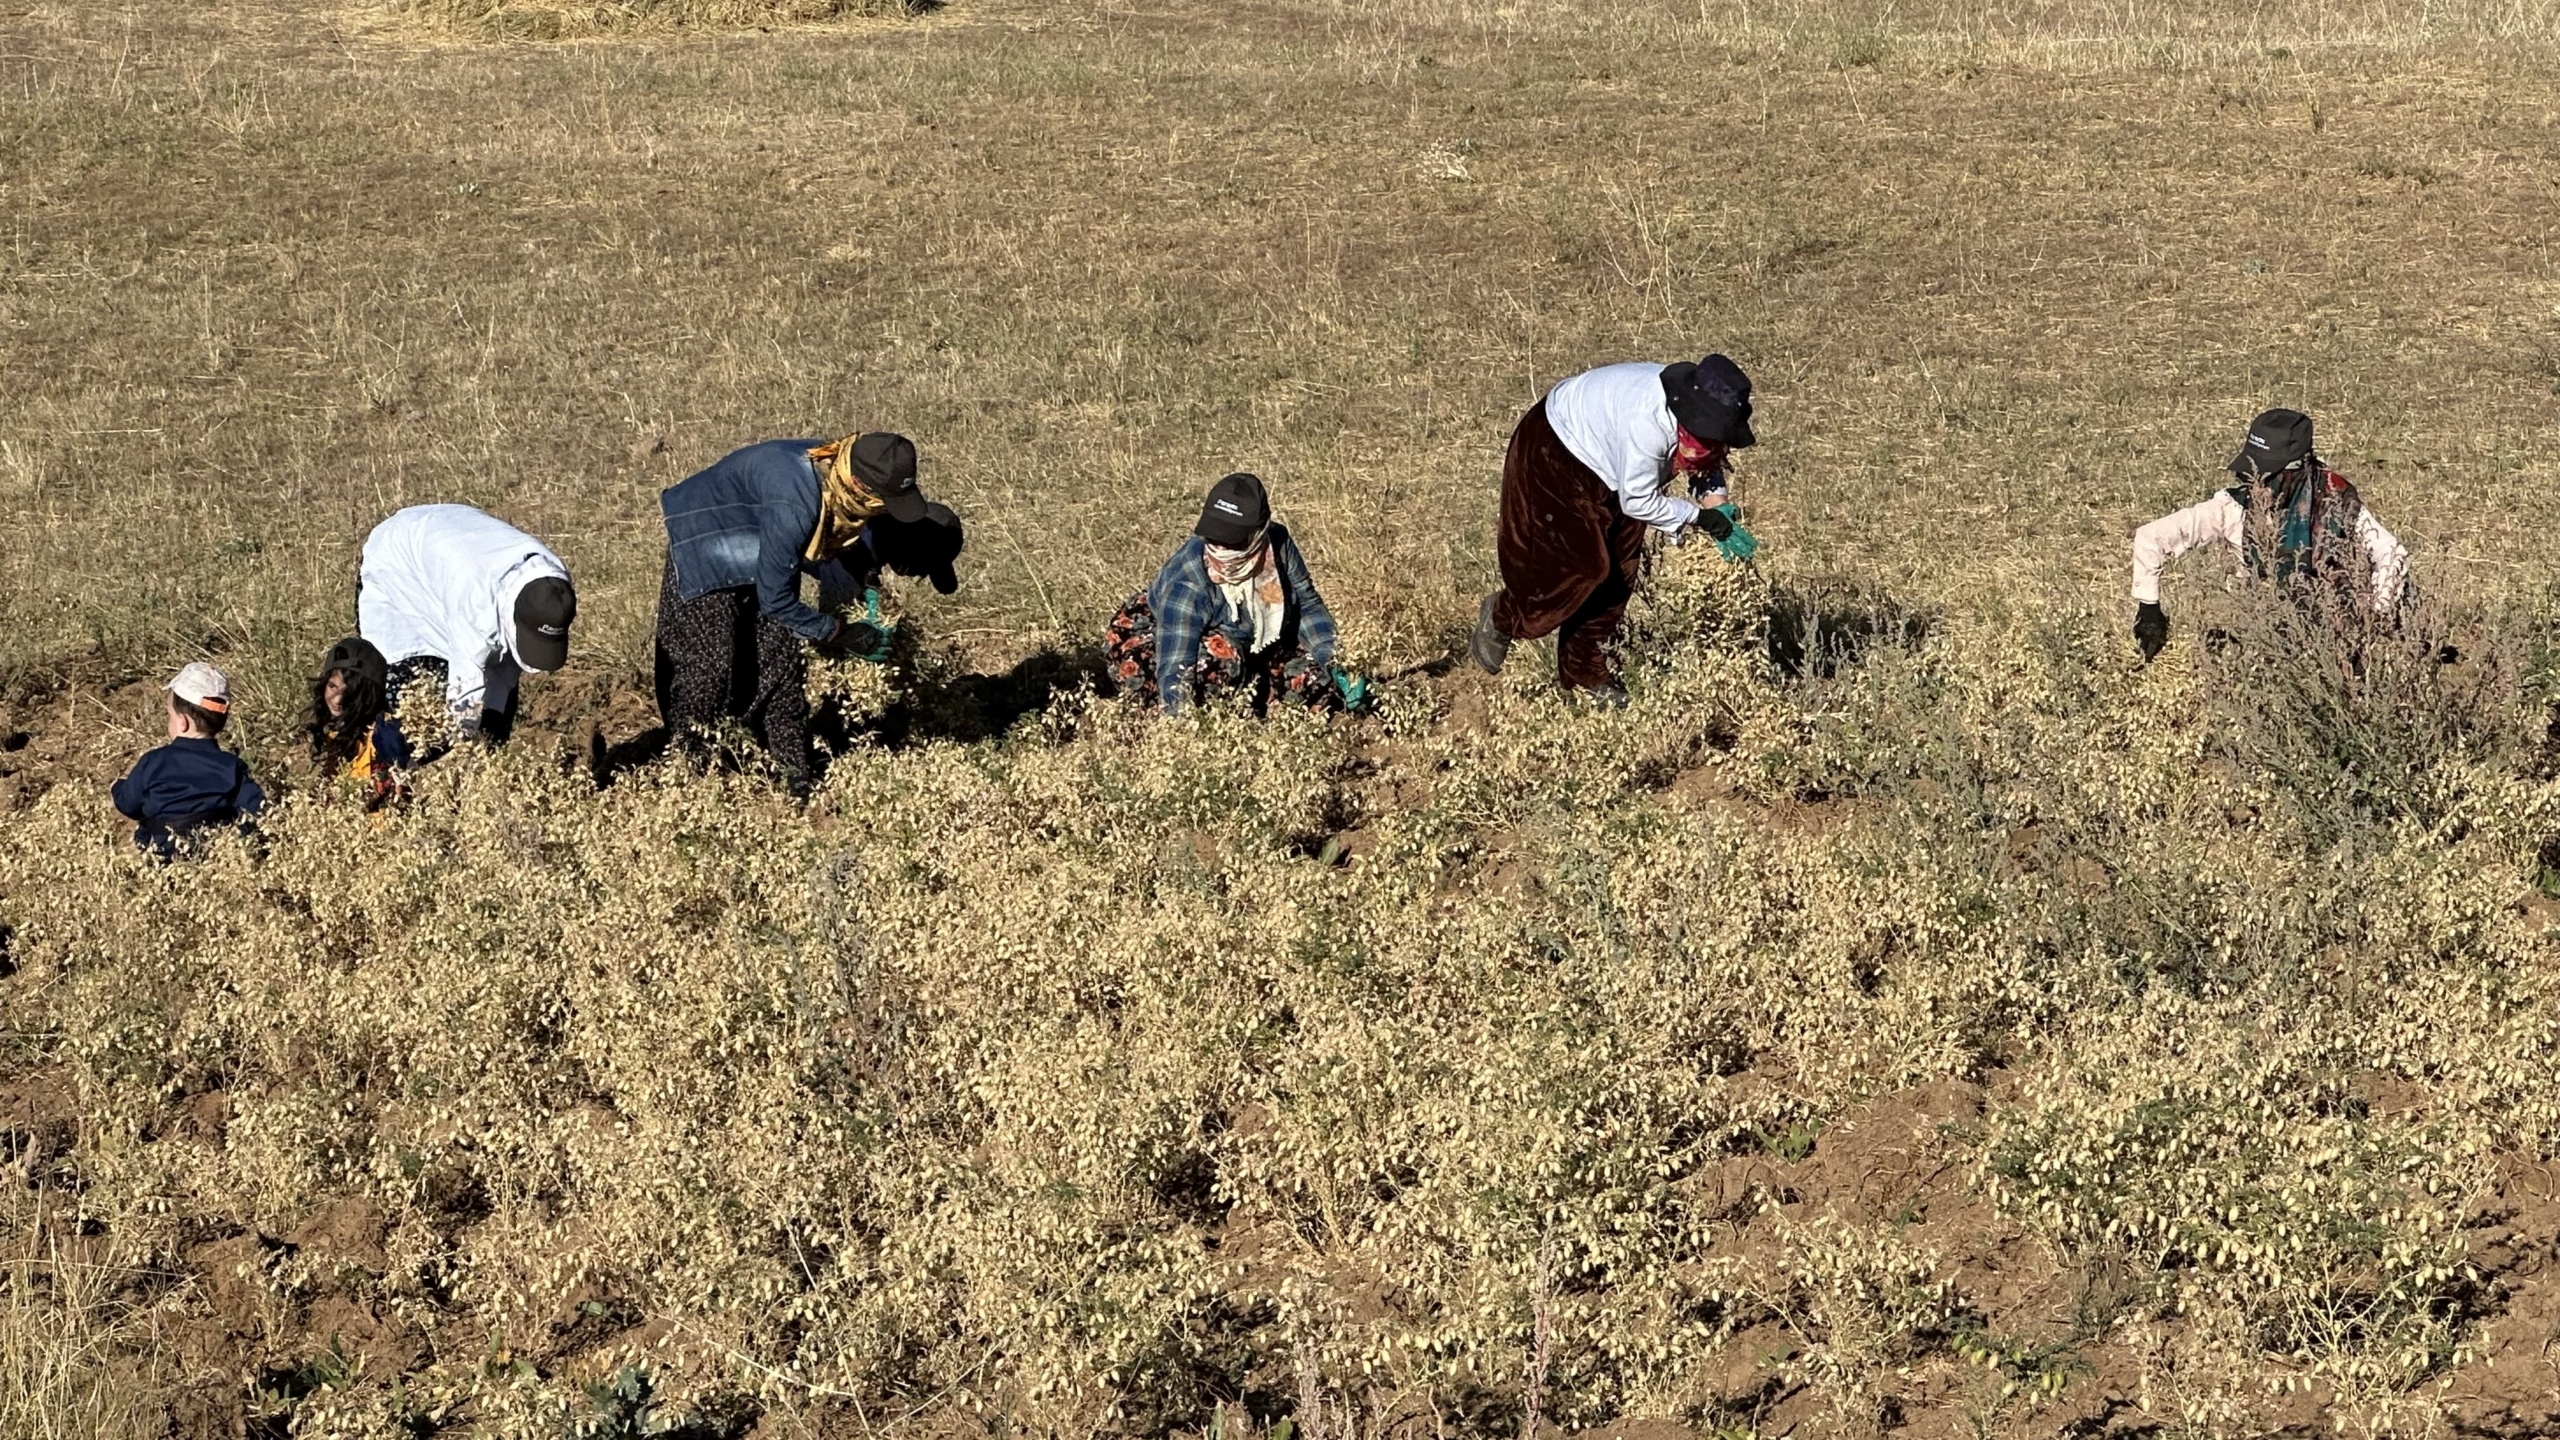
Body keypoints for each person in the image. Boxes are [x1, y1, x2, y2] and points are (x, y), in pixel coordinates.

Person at [656, 431, 959, 795]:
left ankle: (793, 779)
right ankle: (689, 777)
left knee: (781, 670)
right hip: (706, 537)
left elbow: (838, 541)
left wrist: (864, 577)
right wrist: (839, 632)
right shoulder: (795, 504)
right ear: (860, 484)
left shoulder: (845, 475)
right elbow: (776, 601)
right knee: (709, 670)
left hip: (767, 547)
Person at [1471, 354, 1760, 703]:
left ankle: (1586, 675)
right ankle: (1503, 616)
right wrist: (1697, 518)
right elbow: (1637, 501)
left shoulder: (1699, 422)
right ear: (1689, 416)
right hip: (1559, 451)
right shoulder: (1646, 422)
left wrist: (1720, 508)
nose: (1713, 440)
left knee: (1619, 574)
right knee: (1579, 568)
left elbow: (1706, 460)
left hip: (1614, 466)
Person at [2130, 408, 2409, 660]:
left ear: (2297, 469)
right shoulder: (2233, 509)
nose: (2255, 485)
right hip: (2265, 638)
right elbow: (2150, 537)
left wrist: (2376, 612)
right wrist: (2149, 608)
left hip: (2340, 639)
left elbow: (2392, 553)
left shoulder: (2335, 499)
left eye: (2266, 476)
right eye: (2248, 475)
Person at [1105, 472, 1353, 716]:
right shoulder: (1187, 582)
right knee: (1220, 663)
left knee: (1317, 677)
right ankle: (1231, 708)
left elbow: (1306, 607)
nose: (1220, 549)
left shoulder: (1277, 545)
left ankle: (1253, 700)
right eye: (1213, 538)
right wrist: (1184, 727)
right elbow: (1175, 669)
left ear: (1258, 534)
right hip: (1167, 640)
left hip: (1251, 640)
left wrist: (1335, 662)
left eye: (1231, 541)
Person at [358, 504, 576, 744]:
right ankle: (380, 763)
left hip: (454, 542)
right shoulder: (475, 606)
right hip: (399, 556)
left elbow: (507, 667)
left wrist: (493, 723)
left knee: (493, 713)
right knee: (404, 687)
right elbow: (465, 694)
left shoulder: (553, 586)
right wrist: (465, 750)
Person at [111, 662, 265, 858]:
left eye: (170, 716)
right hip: (213, 858)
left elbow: (128, 804)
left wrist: (117, 787)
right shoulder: (232, 766)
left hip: (159, 857)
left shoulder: (154, 761)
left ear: (182, 722)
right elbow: (256, 810)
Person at [308, 636, 411, 811]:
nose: (338, 700)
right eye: (332, 687)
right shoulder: (335, 730)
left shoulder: (384, 734)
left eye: (350, 693)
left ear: (367, 696)